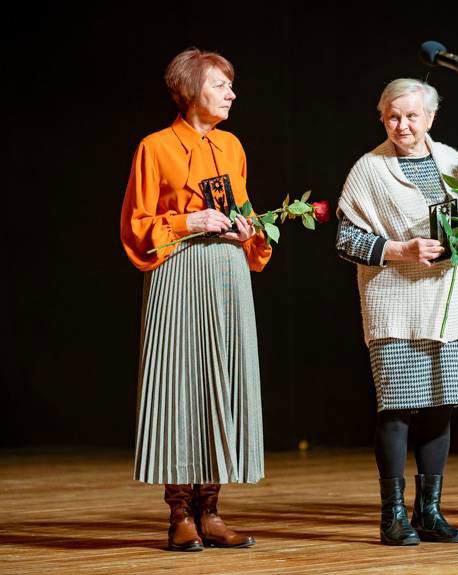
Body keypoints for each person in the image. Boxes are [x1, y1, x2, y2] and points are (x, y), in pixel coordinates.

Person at [120, 48, 271, 551]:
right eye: (220, 85)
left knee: (224, 382)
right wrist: (189, 221)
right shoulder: (155, 147)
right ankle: (179, 511)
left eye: (231, 84)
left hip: (227, 275)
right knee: (181, 384)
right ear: (190, 91)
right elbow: (137, 226)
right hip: (180, 273)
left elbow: (243, 207)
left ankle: (212, 510)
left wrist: (248, 230)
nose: (231, 93)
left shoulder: (232, 146)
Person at [336, 78, 458, 546]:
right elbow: (345, 240)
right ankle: (393, 515)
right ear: (382, 118)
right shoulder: (369, 168)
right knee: (398, 408)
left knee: (441, 408)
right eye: (393, 116)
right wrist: (398, 249)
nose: (403, 125)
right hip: (395, 304)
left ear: (431, 118)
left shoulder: (452, 161)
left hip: (446, 303)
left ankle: (429, 511)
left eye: (411, 116)